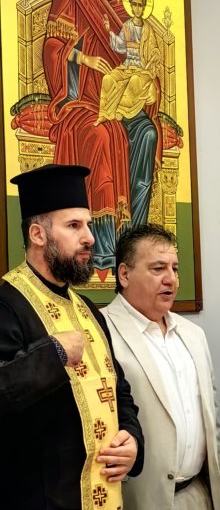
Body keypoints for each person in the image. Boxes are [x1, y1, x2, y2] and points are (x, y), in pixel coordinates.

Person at [0, 164, 144, 510]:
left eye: (88, 225)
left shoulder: (88, 310)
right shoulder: (7, 303)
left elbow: (119, 390)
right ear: (38, 235)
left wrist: (132, 438)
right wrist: (53, 353)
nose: (90, 238)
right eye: (74, 226)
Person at [43, 0, 161, 273]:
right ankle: (105, 246)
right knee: (102, 133)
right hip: (82, 98)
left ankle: (135, 237)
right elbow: (52, 46)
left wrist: (142, 78)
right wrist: (85, 59)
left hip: (120, 96)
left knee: (147, 133)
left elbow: (138, 50)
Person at [102, 224, 220, 510]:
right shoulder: (101, 332)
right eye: (158, 268)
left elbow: (213, 427)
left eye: (175, 269)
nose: (171, 279)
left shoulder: (193, 335)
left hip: (198, 494)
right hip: (137, 499)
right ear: (124, 274)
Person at [96, 0, 161, 125]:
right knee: (108, 78)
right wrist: (108, 30)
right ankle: (104, 113)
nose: (137, 8)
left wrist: (150, 75)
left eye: (140, 5)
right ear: (131, 6)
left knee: (135, 80)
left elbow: (154, 53)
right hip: (127, 67)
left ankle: (121, 111)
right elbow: (120, 46)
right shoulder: (127, 26)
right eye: (134, 4)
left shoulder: (148, 30)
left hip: (142, 70)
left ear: (144, 8)